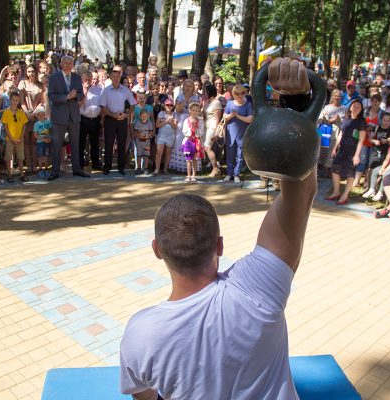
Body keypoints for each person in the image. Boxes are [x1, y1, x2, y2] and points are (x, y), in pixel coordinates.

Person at [119, 57, 317, 400]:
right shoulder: (258, 288)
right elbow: (302, 190)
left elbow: (147, 397)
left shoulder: (141, 334)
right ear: (220, 245)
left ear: (157, 250)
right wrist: (295, 108)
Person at [46, 56, 86, 180]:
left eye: (71, 63)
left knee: (75, 144)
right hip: (59, 116)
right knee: (57, 144)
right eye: (66, 63)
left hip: (74, 115)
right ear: (61, 64)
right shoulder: (54, 78)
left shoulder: (76, 77)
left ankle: (77, 169)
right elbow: (51, 96)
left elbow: (81, 94)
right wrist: (67, 97)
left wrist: (77, 96)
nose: (68, 65)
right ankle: (55, 171)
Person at [327, 99, 367, 204]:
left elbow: (361, 139)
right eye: (354, 105)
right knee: (335, 168)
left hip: (353, 150)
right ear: (350, 107)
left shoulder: (361, 121)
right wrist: (335, 147)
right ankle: (336, 192)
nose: (356, 108)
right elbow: (341, 134)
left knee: (350, 172)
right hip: (342, 148)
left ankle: (345, 195)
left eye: (359, 106)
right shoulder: (346, 119)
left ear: (361, 109)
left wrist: (357, 155)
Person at [99, 68, 136, 175]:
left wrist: (127, 114)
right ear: (110, 78)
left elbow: (133, 104)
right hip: (110, 119)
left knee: (122, 143)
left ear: (120, 77)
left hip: (122, 119)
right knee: (109, 144)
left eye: (117, 77)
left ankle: (121, 167)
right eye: (113, 77)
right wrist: (113, 115)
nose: (115, 79)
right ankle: (107, 166)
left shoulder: (125, 90)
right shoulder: (106, 90)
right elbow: (102, 106)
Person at [363, 130, 390, 201]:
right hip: (389, 166)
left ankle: (380, 192)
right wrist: (382, 168)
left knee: (386, 174)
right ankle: (372, 189)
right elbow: (387, 159)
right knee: (375, 170)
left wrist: (386, 169)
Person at [223, 85, 253, 183]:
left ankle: (236, 174)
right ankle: (229, 174)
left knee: (240, 154)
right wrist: (232, 115)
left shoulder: (248, 104)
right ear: (233, 94)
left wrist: (237, 115)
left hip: (242, 132)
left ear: (245, 93)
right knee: (230, 154)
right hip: (230, 132)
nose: (239, 95)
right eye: (237, 93)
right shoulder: (229, 104)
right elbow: (225, 117)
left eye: (242, 93)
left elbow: (250, 119)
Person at [18, 64, 44, 173]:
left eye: (32, 71)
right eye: (28, 71)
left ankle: (35, 165)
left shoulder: (40, 85)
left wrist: (34, 113)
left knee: (34, 141)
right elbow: (21, 101)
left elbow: (42, 101)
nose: (30, 73)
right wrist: (27, 113)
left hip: (36, 116)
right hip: (25, 116)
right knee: (26, 141)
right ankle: (28, 165)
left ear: (36, 72)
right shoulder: (22, 83)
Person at [1, 92, 28, 182]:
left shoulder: (21, 112)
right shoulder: (6, 112)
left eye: (17, 100)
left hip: (20, 139)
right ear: (10, 100)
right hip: (9, 139)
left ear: (19, 101)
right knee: (8, 157)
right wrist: (12, 138)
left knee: (20, 157)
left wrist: (21, 137)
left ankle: (21, 174)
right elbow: (5, 127)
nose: (15, 102)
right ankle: (9, 175)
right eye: (13, 100)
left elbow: (24, 126)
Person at [79, 71, 103, 170]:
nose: (88, 81)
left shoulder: (98, 90)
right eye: (85, 79)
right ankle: (80, 164)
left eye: (89, 79)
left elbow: (102, 105)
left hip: (95, 119)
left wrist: (102, 119)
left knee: (95, 143)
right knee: (81, 143)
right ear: (82, 79)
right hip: (83, 119)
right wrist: (85, 91)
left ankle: (96, 163)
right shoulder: (79, 90)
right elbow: (79, 104)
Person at [181, 102, 204, 183]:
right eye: (193, 110)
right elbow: (184, 131)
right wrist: (190, 129)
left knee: (195, 159)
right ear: (189, 110)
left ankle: (194, 175)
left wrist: (197, 129)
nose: (195, 112)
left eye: (196, 110)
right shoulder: (186, 120)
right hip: (188, 141)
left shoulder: (200, 120)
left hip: (196, 141)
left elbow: (201, 132)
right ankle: (188, 175)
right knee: (188, 160)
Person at [203, 83, 222, 177]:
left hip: (213, 127)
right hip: (206, 126)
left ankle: (215, 169)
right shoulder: (207, 102)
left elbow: (218, 119)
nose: (204, 93)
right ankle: (215, 168)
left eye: (205, 92)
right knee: (206, 148)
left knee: (207, 148)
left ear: (210, 92)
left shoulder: (216, 103)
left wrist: (217, 132)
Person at [153, 98, 177, 176]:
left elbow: (175, 127)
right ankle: (156, 170)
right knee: (158, 153)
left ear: (173, 106)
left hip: (171, 136)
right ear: (164, 105)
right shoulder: (161, 113)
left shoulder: (175, 114)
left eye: (171, 105)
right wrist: (166, 121)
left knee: (167, 154)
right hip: (161, 135)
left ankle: (165, 169)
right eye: (167, 105)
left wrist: (170, 123)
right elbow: (157, 125)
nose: (169, 106)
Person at [133, 108, 154, 175]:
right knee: (139, 155)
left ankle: (145, 168)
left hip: (147, 142)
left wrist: (149, 135)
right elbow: (135, 132)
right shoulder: (137, 123)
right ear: (140, 116)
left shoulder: (149, 123)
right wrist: (139, 135)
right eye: (142, 116)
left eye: (145, 116)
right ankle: (139, 168)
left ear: (148, 116)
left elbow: (151, 132)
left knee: (146, 155)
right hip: (139, 141)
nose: (144, 118)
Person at [33, 106, 52, 177]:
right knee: (40, 156)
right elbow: (35, 135)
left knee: (46, 156)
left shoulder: (48, 122)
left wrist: (49, 137)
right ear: (37, 116)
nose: (41, 116)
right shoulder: (36, 124)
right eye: (39, 115)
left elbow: (50, 131)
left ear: (45, 114)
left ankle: (46, 169)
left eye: (42, 114)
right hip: (40, 143)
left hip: (47, 142)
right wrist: (44, 139)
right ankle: (40, 170)